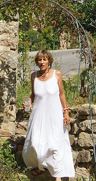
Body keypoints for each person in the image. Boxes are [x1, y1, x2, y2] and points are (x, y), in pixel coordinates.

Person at [22, 49, 75, 180]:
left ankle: (57, 174)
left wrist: (66, 112)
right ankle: (40, 166)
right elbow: (33, 95)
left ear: (49, 61)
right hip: (38, 114)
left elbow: (62, 94)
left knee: (55, 144)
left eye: (44, 59)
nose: (42, 62)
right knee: (36, 142)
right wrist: (28, 103)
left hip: (54, 114)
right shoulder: (34, 76)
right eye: (39, 60)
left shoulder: (57, 74)